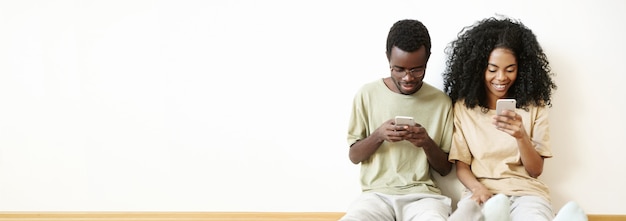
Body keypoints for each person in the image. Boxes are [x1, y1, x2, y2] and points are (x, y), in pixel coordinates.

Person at [442, 16, 587, 221]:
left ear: (522, 69)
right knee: (467, 216)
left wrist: (521, 137)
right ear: (479, 68)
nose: (501, 77)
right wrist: (478, 188)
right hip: (482, 190)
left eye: (510, 70)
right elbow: (462, 167)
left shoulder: (534, 106)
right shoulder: (464, 108)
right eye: (493, 69)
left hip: (526, 193)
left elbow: (535, 170)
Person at [339, 19, 454, 221]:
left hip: (423, 198)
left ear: (427, 60)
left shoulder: (441, 102)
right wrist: (378, 135)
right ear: (387, 59)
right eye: (398, 69)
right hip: (375, 196)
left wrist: (426, 142)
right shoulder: (367, 94)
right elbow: (354, 156)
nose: (407, 78)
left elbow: (445, 169)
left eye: (416, 69)